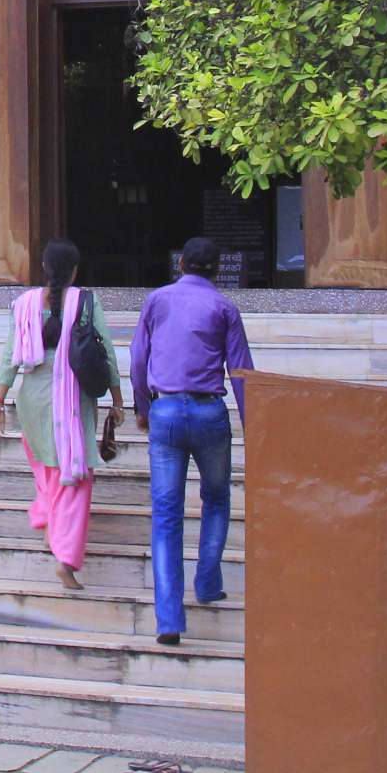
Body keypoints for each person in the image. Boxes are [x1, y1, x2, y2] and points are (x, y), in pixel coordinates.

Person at [131, 235, 254, 646]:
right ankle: (206, 582)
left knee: (166, 514)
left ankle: (169, 618)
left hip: (164, 410)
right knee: (216, 498)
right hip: (208, 412)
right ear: (218, 269)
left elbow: (137, 358)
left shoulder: (157, 300)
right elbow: (241, 371)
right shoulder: (225, 307)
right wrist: (253, 423)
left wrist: (142, 408)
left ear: (180, 263)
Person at [0, 240, 125, 591]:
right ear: (76, 271)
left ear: (45, 269)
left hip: (32, 397)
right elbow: (106, 352)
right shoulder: (86, 302)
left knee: (47, 466)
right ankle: (65, 558)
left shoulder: (24, 305)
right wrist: (118, 399)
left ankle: (47, 518)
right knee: (75, 477)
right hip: (73, 398)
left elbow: (10, 356)